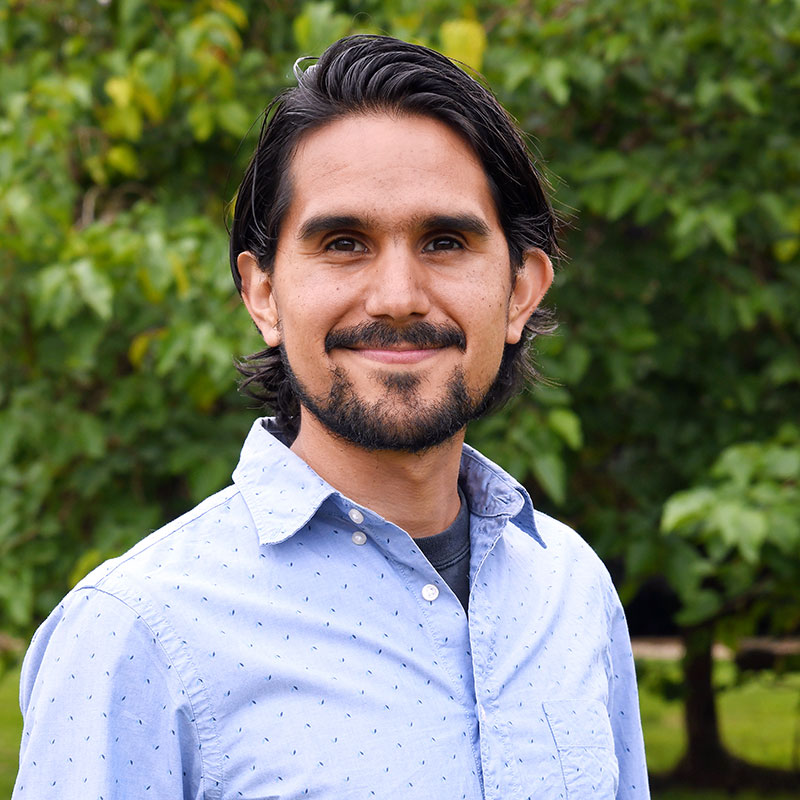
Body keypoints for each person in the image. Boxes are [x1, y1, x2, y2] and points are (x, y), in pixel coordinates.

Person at [14, 35, 649, 799]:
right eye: (343, 243)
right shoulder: (137, 631)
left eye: (445, 241)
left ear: (520, 291)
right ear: (264, 295)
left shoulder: (571, 587)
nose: (397, 295)